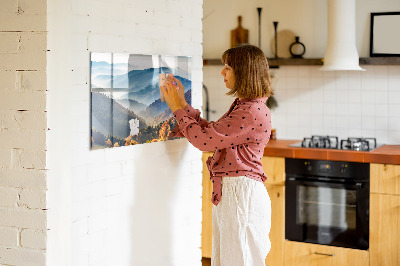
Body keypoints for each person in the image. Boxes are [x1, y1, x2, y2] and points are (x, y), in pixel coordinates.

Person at [161, 44, 273, 266]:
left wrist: (176, 108)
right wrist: (182, 104)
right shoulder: (246, 106)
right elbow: (212, 133)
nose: (222, 72)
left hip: (241, 195)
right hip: (236, 193)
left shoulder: (250, 111)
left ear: (244, 72)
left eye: (228, 67)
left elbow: (204, 141)